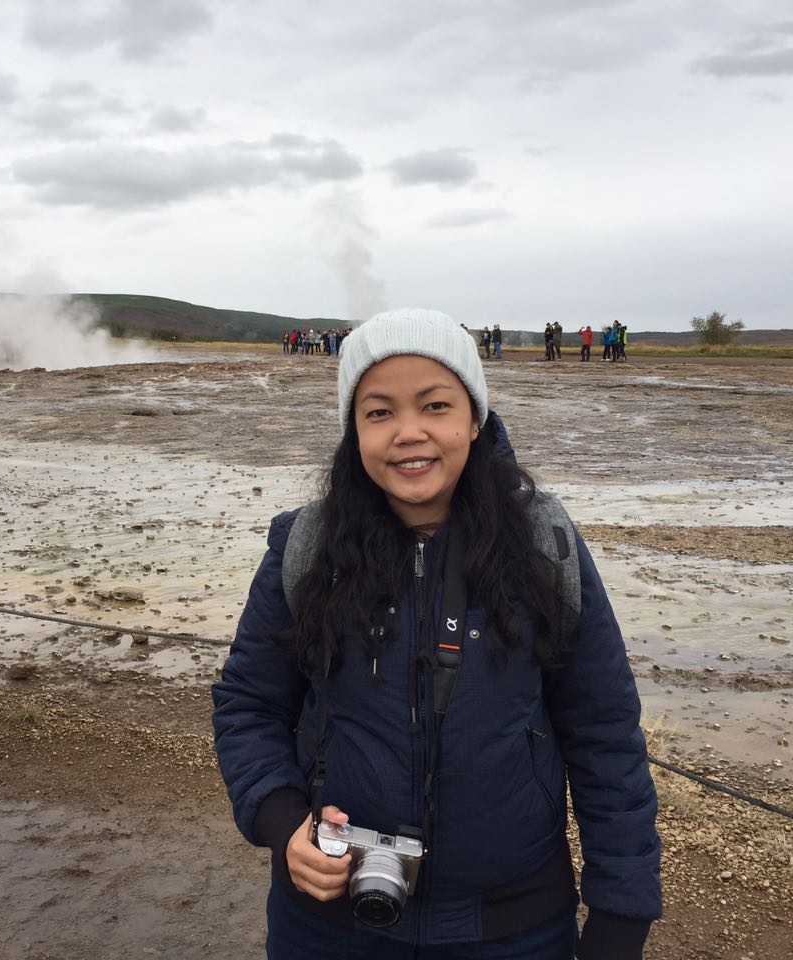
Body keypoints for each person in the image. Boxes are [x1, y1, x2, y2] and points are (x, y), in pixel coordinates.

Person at [213, 308, 661, 959]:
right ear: (352, 430)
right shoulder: (306, 547)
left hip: (515, 929)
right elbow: (248, 706)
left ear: (474, 419)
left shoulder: (544, 545)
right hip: (331, 927)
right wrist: (285, 825)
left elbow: (605, 734)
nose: (409, 433)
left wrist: (621, 919)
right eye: (379, 412)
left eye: (435, 406)